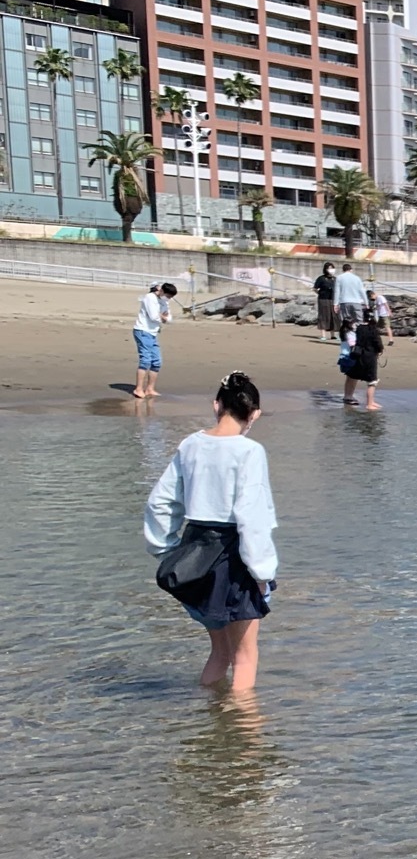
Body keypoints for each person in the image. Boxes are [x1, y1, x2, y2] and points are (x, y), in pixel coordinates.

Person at [144, 371, 277, 693]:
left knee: (220, 652)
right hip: (234, 558)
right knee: (245, 656)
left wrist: (167, 550)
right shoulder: (249, 451)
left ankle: (213, 721)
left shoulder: (191, 444)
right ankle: (243, 735)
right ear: (254, 414)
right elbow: (251, 517)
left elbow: (160, 502)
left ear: (216, 405)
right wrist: (262, 571)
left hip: (195, 553)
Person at [132, 282, 176, 398]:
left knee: (156, 361)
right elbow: (153, 316)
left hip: (153, 332)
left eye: (170, 297)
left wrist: (164, 317)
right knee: (145, 360)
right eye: (168, 296)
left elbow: (169, 318)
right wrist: (162, 317)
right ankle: (138, 389)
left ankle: (150, 389)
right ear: (161, 291)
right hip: (142, 330)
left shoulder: (164, 301)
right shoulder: (150, 298)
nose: (169, 299)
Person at [341, 315, 384, 409]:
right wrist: (380, 350)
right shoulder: (373, 330)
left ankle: (347, 396)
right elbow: (378, 343)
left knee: (352, 375)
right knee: (372, 381)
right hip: (369, 356)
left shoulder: (358, 329)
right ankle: (370, 403)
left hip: (357, 354)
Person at [333, 263, 368, 339]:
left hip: (344, 301)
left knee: (346, 321)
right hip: (356, 301)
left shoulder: (339, 278)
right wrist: (366, 302)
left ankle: (348, 337)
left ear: (343, 270)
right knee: (359, 320)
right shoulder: (357, 278)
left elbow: (337, 291)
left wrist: (335, 304)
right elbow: (362, 291)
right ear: (351, 270)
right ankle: (359, 337)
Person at [313, 264, 337, 340]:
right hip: (323, 299)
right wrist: (320, 293)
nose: (331, 270)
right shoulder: (321, 278)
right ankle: (323, 335)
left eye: (332, 268)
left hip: (333, 299)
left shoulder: (335, 279)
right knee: (323, 316)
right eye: (329, 268)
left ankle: (333, 335)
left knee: (333, 316)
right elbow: (315, 288)